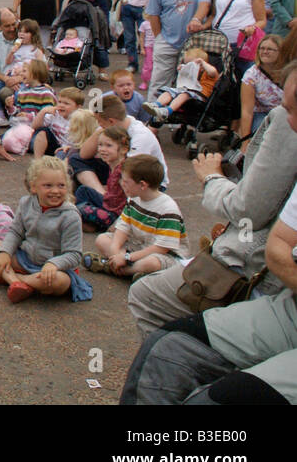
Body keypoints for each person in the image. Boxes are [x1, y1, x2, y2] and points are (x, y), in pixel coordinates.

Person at [127, 62, 297, 336]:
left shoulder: (287, 122)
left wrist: (212, 178)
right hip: (269, 266)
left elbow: (248, 210)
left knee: (146, 295)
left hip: (258, 278)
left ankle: (184, 367)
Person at [121, 179, 297, 405]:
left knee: (219, 399)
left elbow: (248, 206)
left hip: (243, 271)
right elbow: (280, 244)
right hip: (291, 306)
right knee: (167, 350)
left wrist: (212, 178)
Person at [0, 156, 91, 304]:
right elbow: (16, 232)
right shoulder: (26, 203)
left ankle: (15, 280)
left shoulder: (70, 215)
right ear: (33, 186)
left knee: (60, 282)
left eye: (61, 185)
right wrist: (5, 252)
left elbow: (74, 255)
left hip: (51, 271)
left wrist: (54, 264)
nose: (55, 191)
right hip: (26, 258)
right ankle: (19, 281)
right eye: (48, 185)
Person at [85, 154, 186, 278]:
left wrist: (127, 257)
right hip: (138, 246)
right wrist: (115, 251)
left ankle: (116, 269)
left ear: (143, 185)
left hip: (165, 255)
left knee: (152, 263)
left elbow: (161, 248)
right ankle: (133, 271)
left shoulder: (168, 208)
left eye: (126, 181)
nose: (121, 183)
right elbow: (122, 228)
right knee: (102, 240)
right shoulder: (134, 199)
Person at [145, 0, 213, 95]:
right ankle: (153, 113)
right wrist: (159, 37)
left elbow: (205, 3)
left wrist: (196, 19)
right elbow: (154, 15)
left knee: (189, 82)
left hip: (193, 42)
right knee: (159, 81)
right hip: (166, 40)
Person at [142, 46, 220, 124]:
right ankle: (156, 104)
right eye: (186, 64)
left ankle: (167, 111)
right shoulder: (190, 73)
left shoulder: (208, 73)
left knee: (185, 94)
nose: (187, 66)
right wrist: (183, 70)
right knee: (169, 91)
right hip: (186, 90)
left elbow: (213, 71)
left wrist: (203, 63)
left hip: (200, 96)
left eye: (190, 65)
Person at [238, 35, 285, 143]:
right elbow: (247, 111)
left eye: (270, 49)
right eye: (262, 48)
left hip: (286, 112)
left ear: (280, 52)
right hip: (263, 114)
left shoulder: (289, 71)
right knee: (261, 134)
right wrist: (245, 141)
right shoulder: (251, 75)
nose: (265, 52)